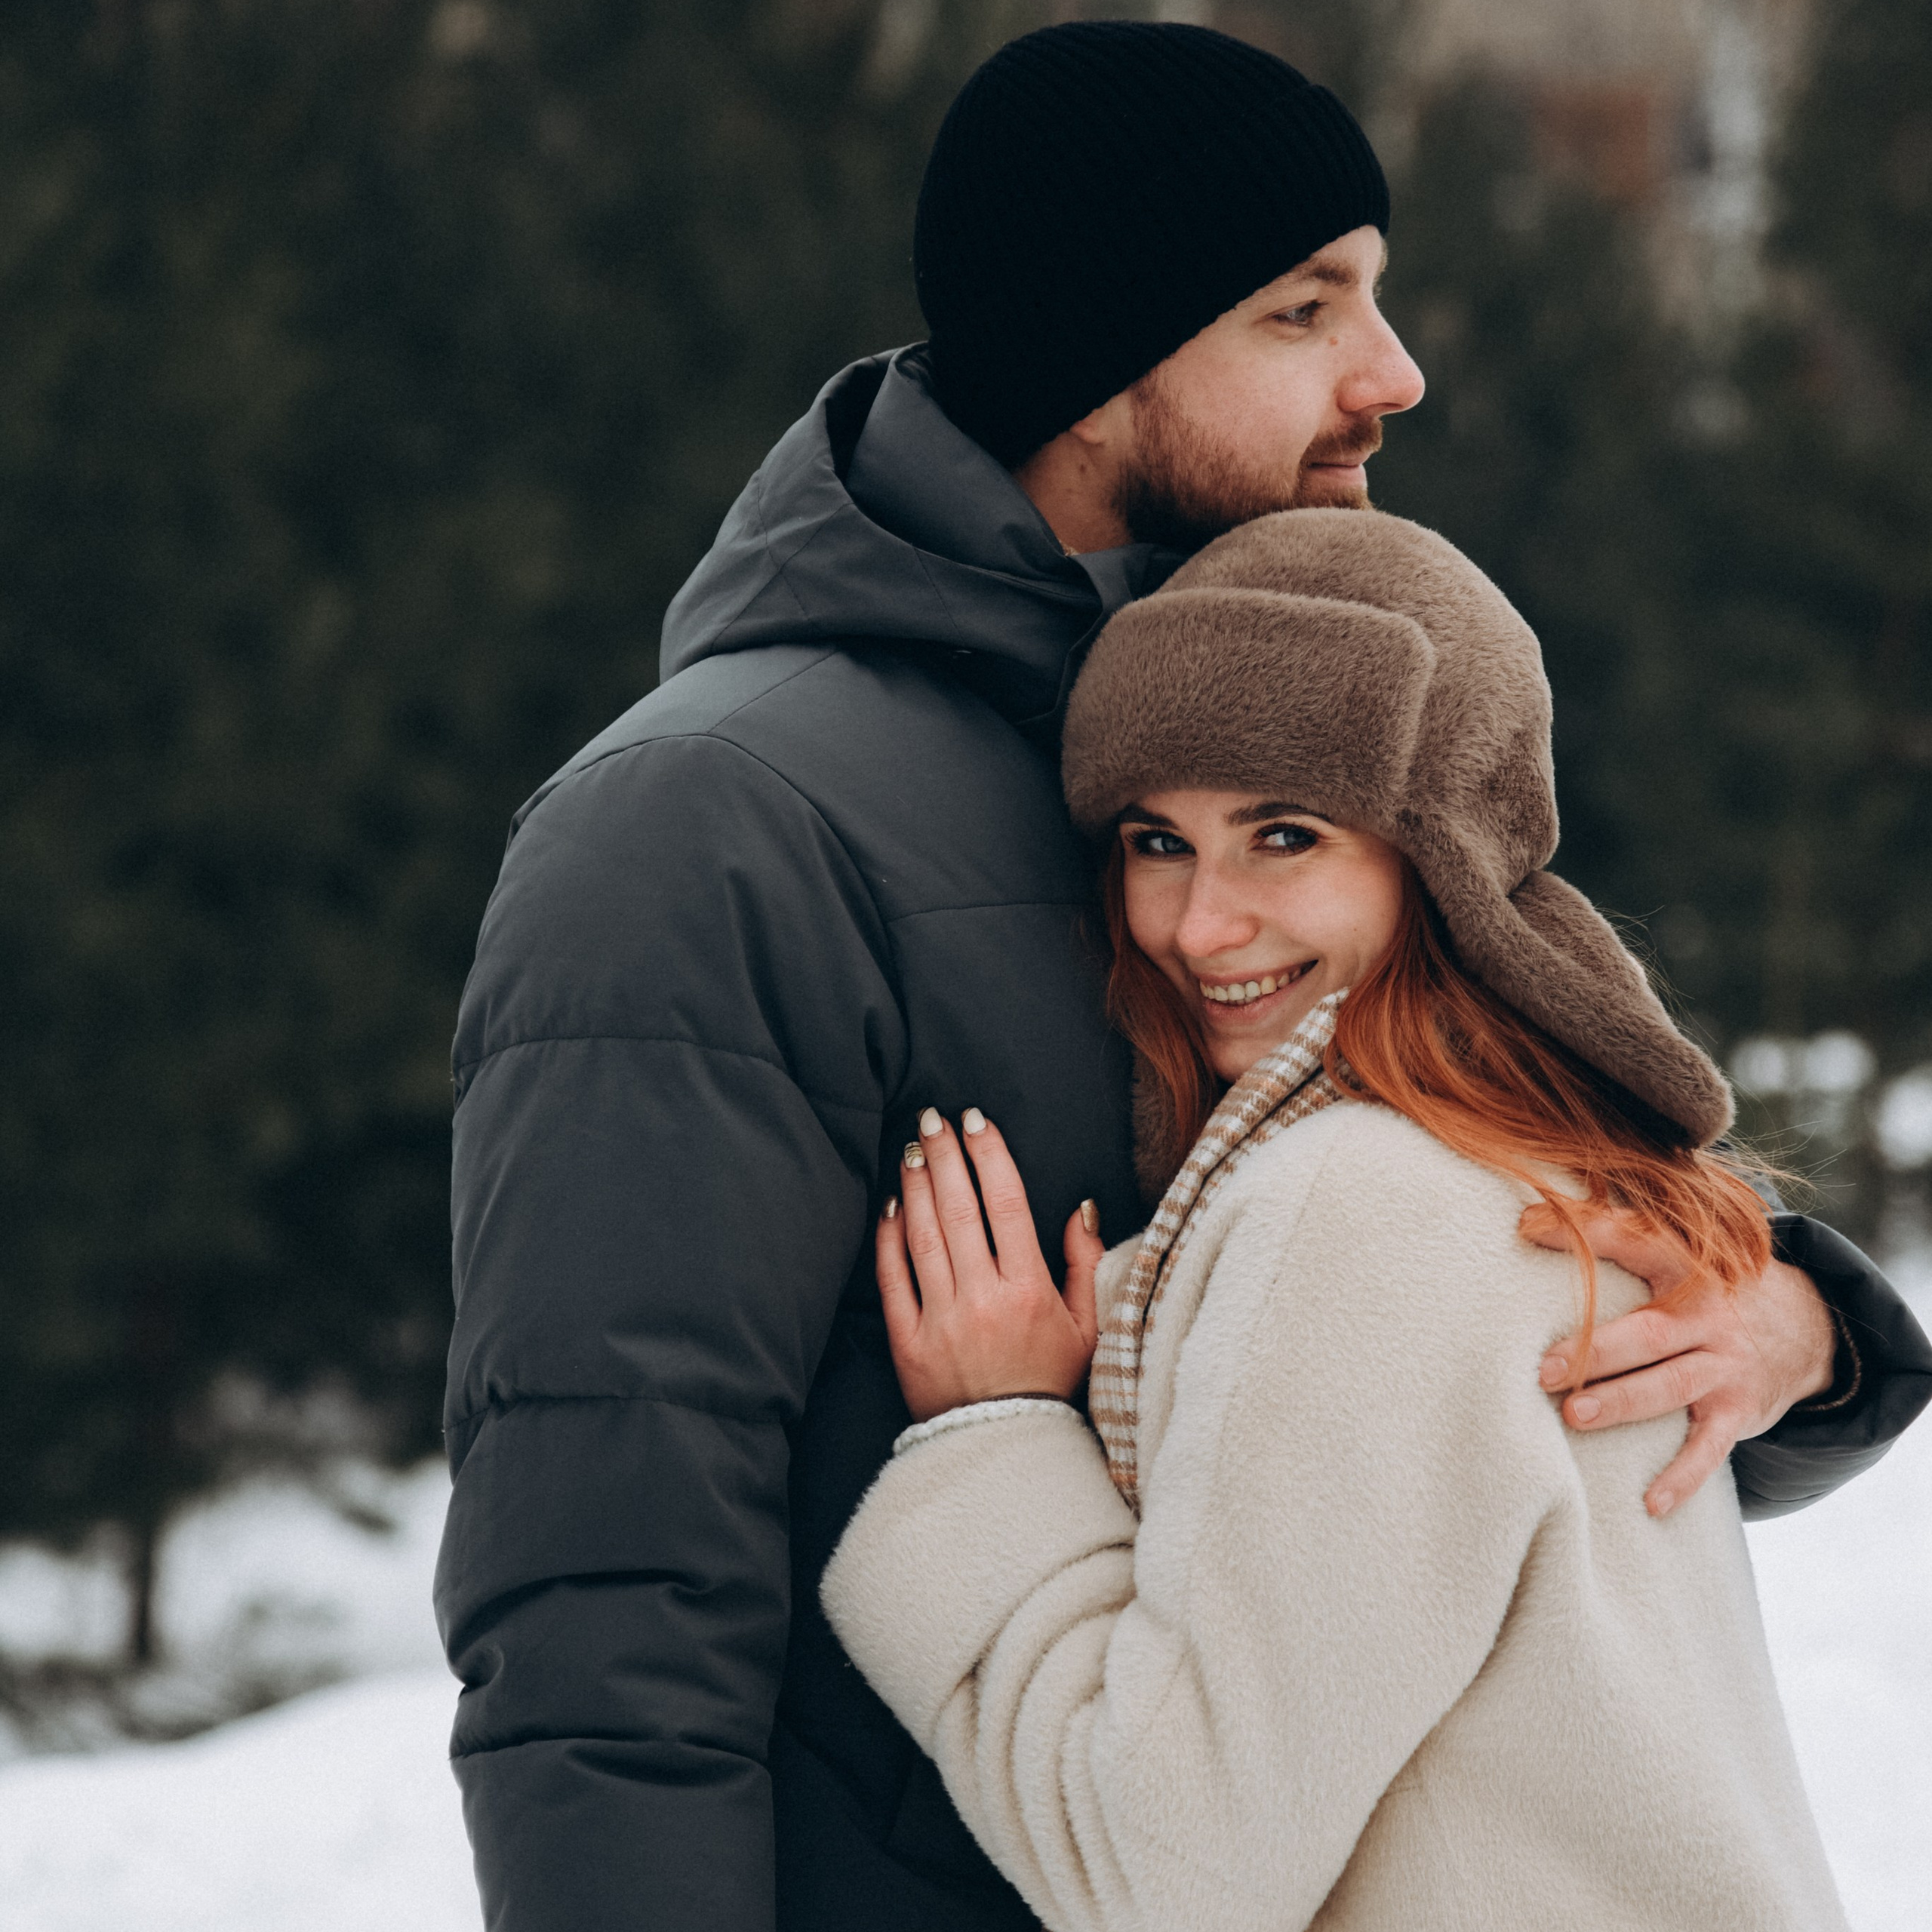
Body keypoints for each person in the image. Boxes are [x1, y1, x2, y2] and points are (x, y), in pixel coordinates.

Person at [435, 21, 1932, 1932]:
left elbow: (1439, 1249)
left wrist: (1786, 1322)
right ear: (1096, 354)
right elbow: (601, 1590)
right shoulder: (705, 828)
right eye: (1304, 311)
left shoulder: (1279, 723)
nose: (1391, 374)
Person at [823, 508, 1928, 1930]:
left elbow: (1166, 1875)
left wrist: (992, 1441)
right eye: (1159, 840)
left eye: (1285, 837)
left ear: (1439, 863)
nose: (1200, 924)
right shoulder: (1527, 1161)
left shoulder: (1357, 1203)